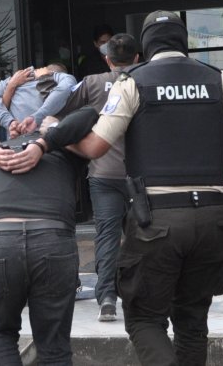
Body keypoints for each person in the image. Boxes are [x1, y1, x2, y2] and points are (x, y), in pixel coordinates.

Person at [61, 10, 223, 365]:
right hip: (214, 219)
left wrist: (55, 136)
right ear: (185, 42)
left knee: (144, 319)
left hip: (158, 222)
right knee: (193, 322)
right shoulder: (218, 79)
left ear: (146, 48)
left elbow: (95, 147)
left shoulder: (133, 82)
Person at [0, 109, 98, 366]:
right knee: (52, 345)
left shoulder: (63, 147)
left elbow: (89, 115)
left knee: (0, 334)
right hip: (49, 241)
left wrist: (46, 138)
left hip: (3, 243)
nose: (22, 126)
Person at [55, 32, 140, 322]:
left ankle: (106, 298)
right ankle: (140, 295)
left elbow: (61, 110)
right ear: (137, 58)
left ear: (107, 59)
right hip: (142, 176)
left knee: (106, 236)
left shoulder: (92, 82)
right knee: (143, 236)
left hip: (103, 172)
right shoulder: (146, 79)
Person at [0, 63, 77, 134]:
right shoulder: (17, 78)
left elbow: (68, 84)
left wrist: (10, 123)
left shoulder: (59, 82)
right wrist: (9, 122)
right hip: (25, 141)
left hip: (39, 139)